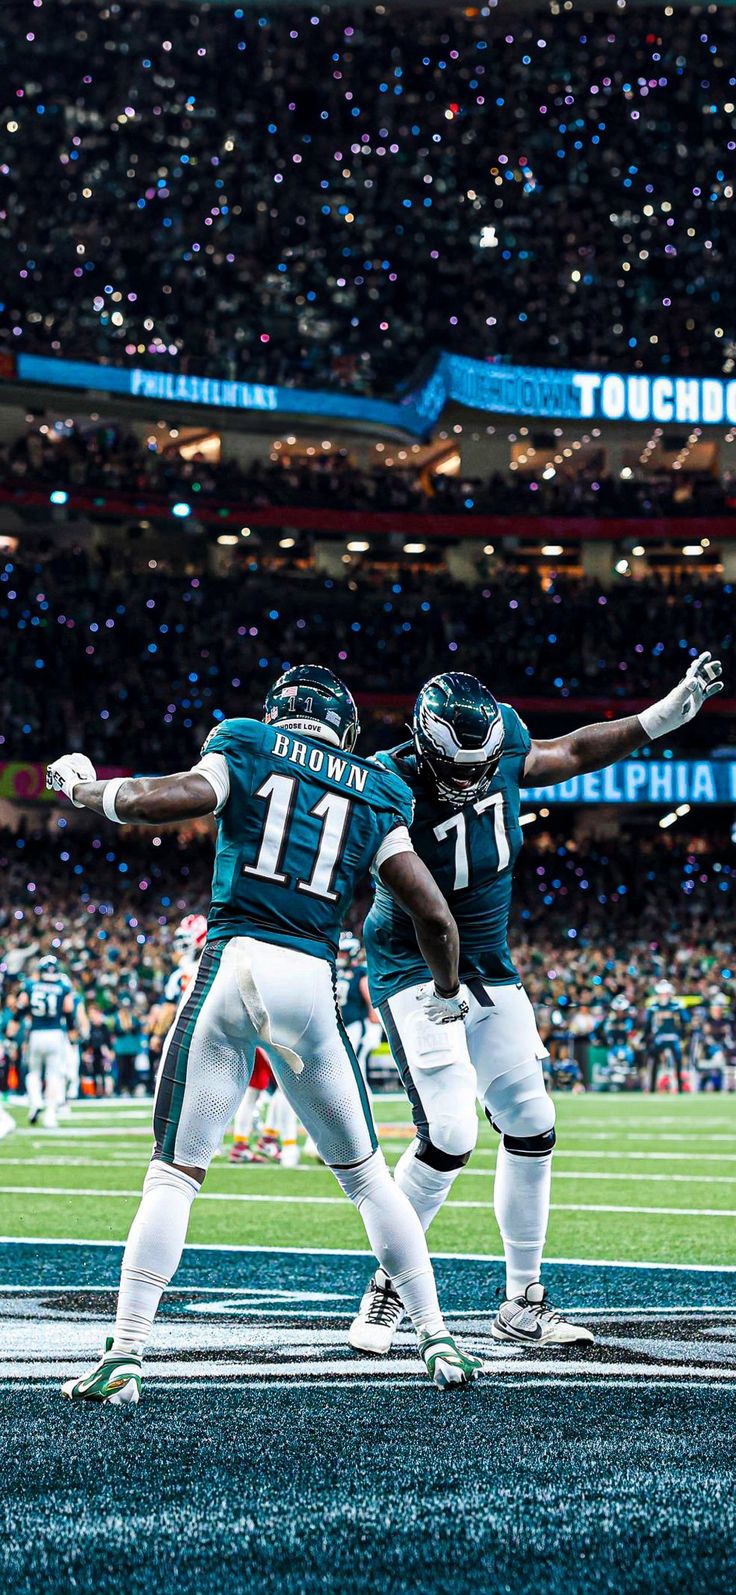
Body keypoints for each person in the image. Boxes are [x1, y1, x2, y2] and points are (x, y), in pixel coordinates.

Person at [47, 664, 481, 1401]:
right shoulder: (377, 788)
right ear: (345, 729)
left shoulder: (247, 742)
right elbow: (435, 917)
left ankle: (126, 1353)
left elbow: (156, 801)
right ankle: (437, 1339)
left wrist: (83, 790)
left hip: (234, 961)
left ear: (277, 712)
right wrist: (445, 991)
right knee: (370, 1179)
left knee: (173, 1174)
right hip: (310, 981)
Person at [348, 651, 723, 1354]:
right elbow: (425, 915)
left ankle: (522, 1301)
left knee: (532, 1119)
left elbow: (572, 751)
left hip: (488, 964)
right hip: (413, 967)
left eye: (483, 767)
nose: (471, 781)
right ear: (423, 748)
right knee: (449, 1134)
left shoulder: (507, 744)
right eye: (456, 769)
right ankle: (390, 1285)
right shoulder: (383, 784)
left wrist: (657, 719)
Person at [19, 955, 75, 1129]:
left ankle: (36, 1101)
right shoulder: (63, 987)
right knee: (54, 1075)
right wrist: (72, 1034)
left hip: (36, 1033)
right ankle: (50, 1115)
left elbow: (21, 1006)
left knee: (33, 1072)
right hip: (56, 1033)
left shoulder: (30, 986)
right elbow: (69, 1010)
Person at [336, 932, 383, 1092]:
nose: (340, 956)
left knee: (356, 1063)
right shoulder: (339, 973)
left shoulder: (360, 972)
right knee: (349, 1064)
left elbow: (370, 1000)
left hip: (358, 1024)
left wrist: (373, 1025)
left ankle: (363, 1096)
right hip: (345, 1024)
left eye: (344, 952)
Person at [644, 979, 688, 1093]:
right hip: (659, 1038)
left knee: (678, 1060)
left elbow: (685, 1021)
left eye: (665, 994)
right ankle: (652, 1087)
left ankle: (680, 1087)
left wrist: (683, 1036)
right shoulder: (653, 1007)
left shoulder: (676, 1006)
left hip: (673, 1037)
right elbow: (647, 1025)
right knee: (653, 1059)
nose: (663, 996)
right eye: (661, 994)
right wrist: (646, 1038)